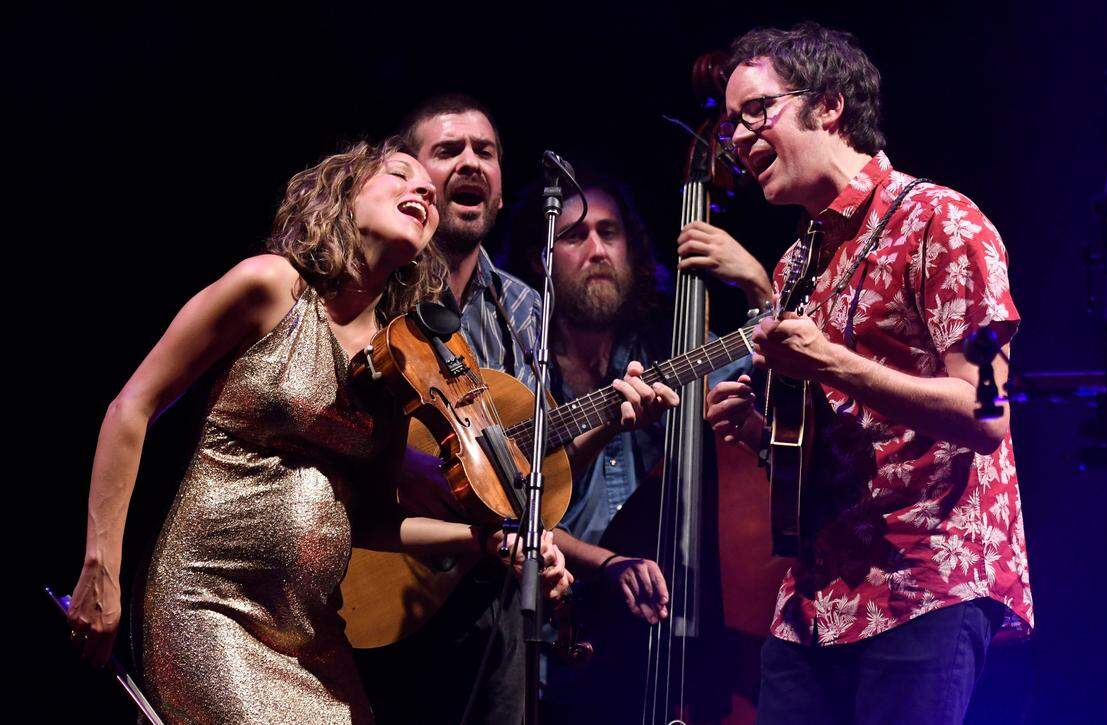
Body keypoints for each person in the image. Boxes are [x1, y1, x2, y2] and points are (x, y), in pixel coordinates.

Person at [65, 138, 571, 723]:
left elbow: (374, 518)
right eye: (400, 175)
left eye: (426, 192)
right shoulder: (271, 287)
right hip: (208, 609)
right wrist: (100, 568)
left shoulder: (398, 362)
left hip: (313, 639)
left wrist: (485, 541)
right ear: (343, 194)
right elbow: (131, 407)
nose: (424, 190)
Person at [703, 22, 1033, 724]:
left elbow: (986, 410)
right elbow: (839, 446)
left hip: (925, 582)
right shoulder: (796, 267)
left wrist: (831, 361)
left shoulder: (942, 221)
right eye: (731, 121)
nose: (736, 136)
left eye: (756, 110)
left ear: (828, 106)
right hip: (817, 597)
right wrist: (767, 436)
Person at [356, 96, 677, 724]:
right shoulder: (375, 284)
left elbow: (534, 476)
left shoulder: (524, 306)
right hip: (392, 575)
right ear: (409, 178)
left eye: (486, 152)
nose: (471, 162)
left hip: (497, 602)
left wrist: (607, 421)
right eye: (448, 151)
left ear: (500, 193)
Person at [503, 169, 760, 722]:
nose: (596, 249)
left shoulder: (677, 354)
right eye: (574, 236)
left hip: (670, 647)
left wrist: (758, 286)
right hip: (556, 651)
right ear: (538, 261)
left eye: (609, 232)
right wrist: (607, 564)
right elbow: (506, 511)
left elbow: (777, 366)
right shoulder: (517, 374)